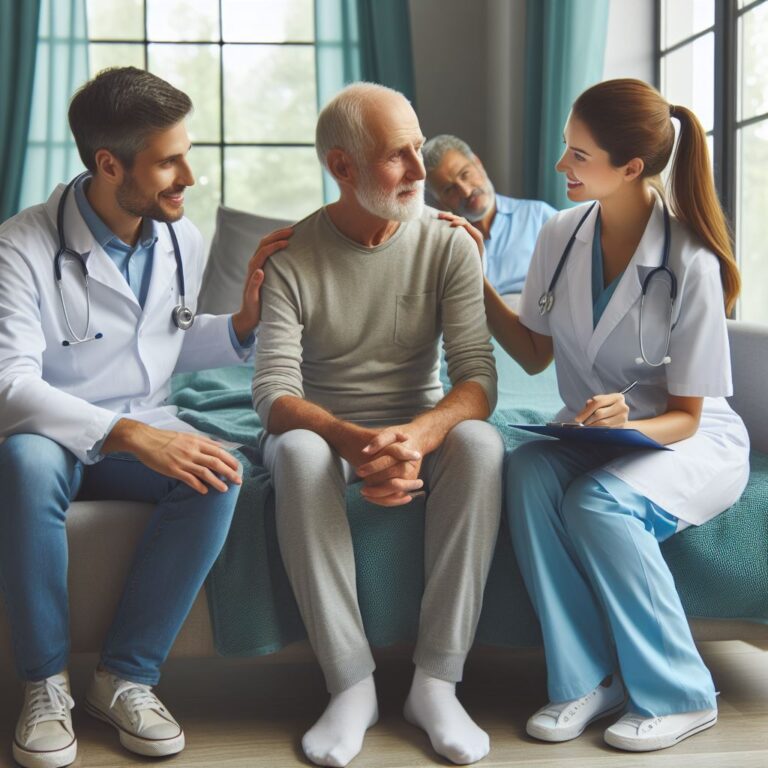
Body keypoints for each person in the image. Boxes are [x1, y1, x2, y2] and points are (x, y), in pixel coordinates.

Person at [444, 78, 748, 752]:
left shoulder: (688, 261)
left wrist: (627, 425)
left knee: (597, 505)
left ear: (630, 168)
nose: (561, 168)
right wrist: (477, 275)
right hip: (597, 432)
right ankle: (587, 679)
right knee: (524, 473)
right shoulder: (559, 233)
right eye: (566, 150)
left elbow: (687, 417)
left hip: (685, 442)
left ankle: (681, 693)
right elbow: (531, 354)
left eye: (578, 156)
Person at [0, 67, 284, 768]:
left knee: (221, 471)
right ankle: (43, 685)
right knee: (24, 464)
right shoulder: (20, 245)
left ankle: (125, 678)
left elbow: (165, 340)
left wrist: (241, 324)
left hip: (143, 421)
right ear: (108, 164)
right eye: (168, 161)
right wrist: (128, 434)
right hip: (55, 430)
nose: (188, 174)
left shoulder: (177, 237)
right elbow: (10, 384)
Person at [252, 82, 503, 767]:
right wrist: (354, 443)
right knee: (298, 453)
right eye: (399, 156)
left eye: (419, 148)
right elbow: (272, 391)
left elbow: (479, 377)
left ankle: (437, 682)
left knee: (480, 444)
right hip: (327, 432)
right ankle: (350, 683)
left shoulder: (450, 246)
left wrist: (417, 438)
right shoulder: (291, 255)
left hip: (415, 423)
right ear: (342, 167)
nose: (422, 172)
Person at [423, 134, 555, 294]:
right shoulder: (442, 246)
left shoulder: (538, 216)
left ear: (477, 163)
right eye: (449, 189)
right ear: (440, 202)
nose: (466, 191)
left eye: (465, 174)